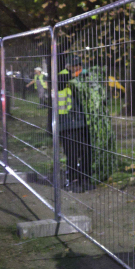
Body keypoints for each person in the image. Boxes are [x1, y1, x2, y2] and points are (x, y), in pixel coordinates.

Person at [55, 56, 94, 192]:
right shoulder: (61, 77)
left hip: (83, 122)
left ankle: (85, 178)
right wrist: (75, 74)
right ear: (68, 66)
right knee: (71, 153)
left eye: (79, 65)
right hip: (67, 123)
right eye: (75, 65)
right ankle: (72, 180)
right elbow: (60, 82)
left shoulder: (85, 77)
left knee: (86, 152)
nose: (78, 68)